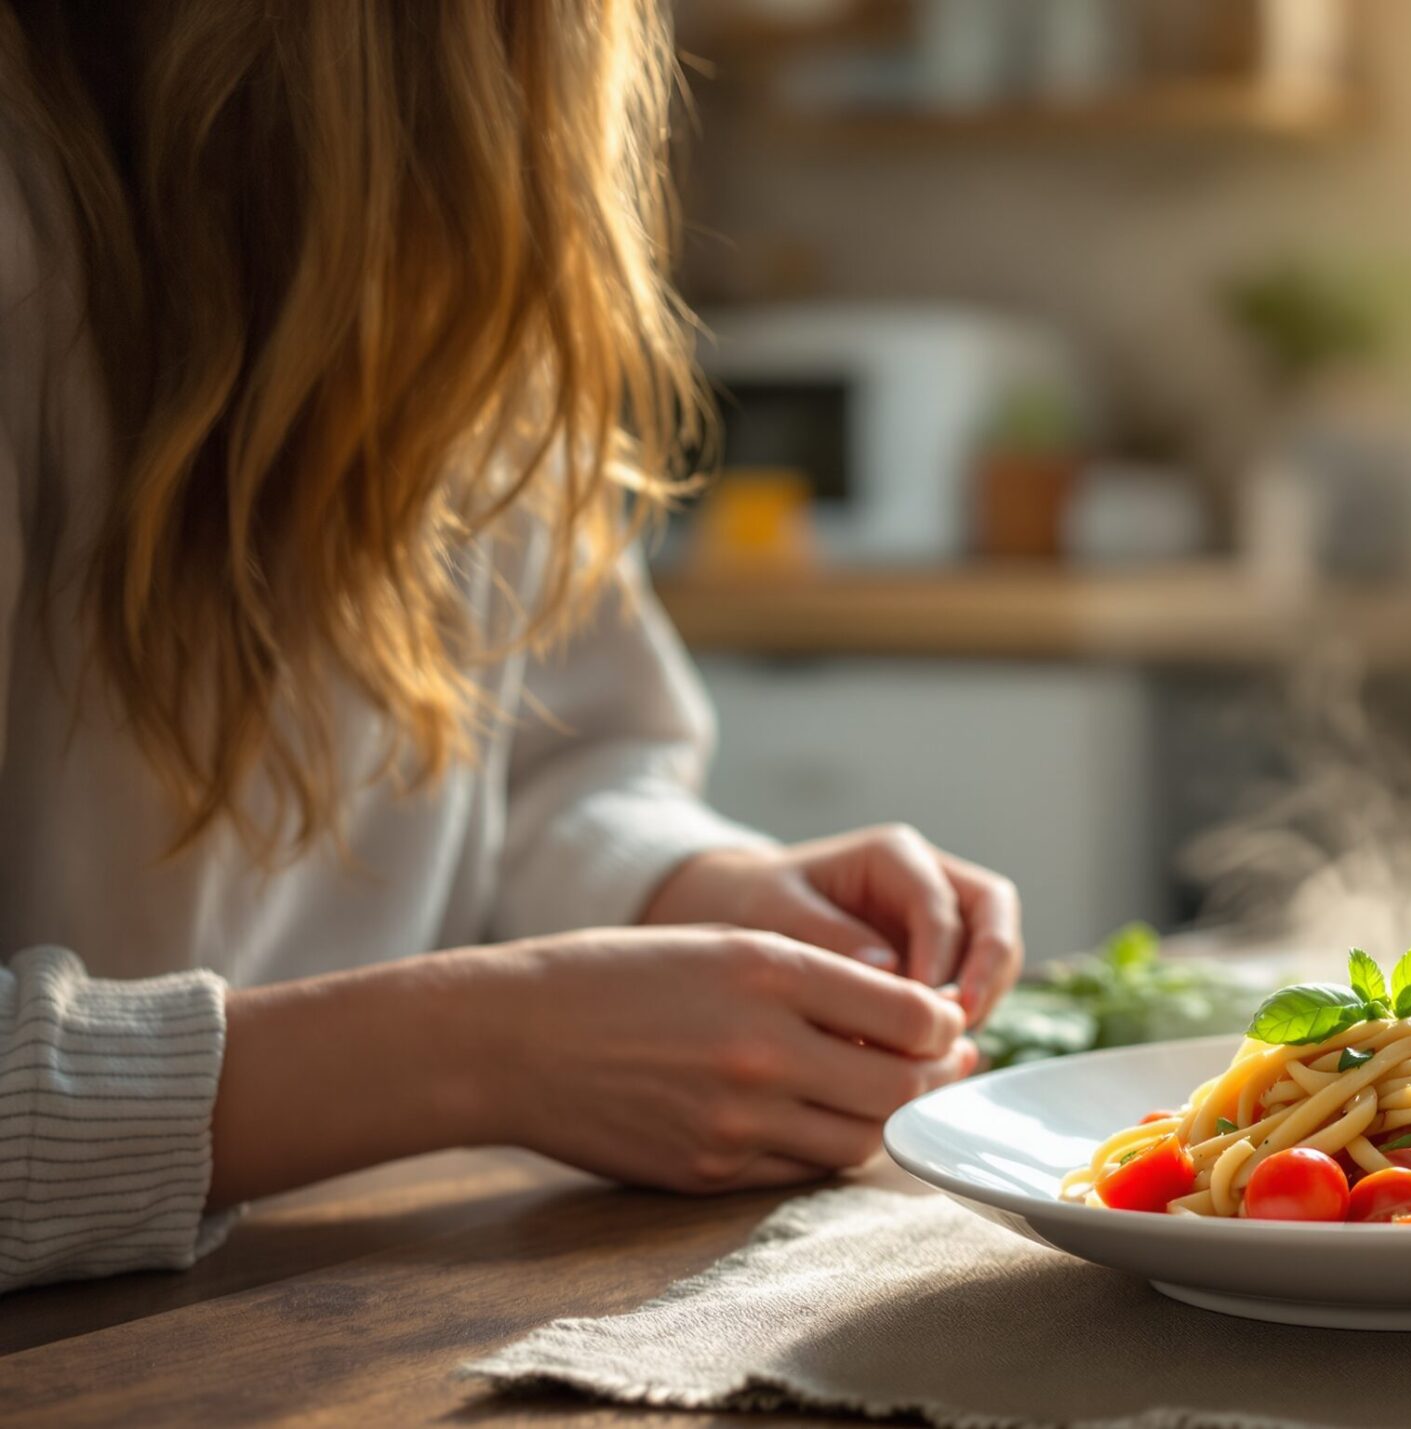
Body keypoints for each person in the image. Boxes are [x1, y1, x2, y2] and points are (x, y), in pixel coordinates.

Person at [0, 1, 1023, 1293]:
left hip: (355, 1294)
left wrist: (694, 891)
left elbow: (556, 766)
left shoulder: (459, 246)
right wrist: (474, 1050)